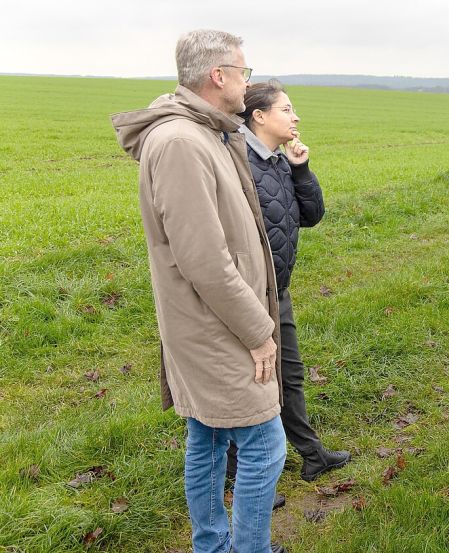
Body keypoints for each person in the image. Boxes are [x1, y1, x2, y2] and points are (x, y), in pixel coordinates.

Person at [111, 30, 287, 553]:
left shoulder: (206, 132)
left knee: (207, 437)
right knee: (264, 446)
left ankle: (211, 545)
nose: (246, 81)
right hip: (214, 326)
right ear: (218, 76)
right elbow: (203, 260)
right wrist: (259, 332)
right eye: (244, 72)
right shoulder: (182, 142)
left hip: (212, 320)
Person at [225, 80, 350, 491]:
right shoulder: (236, 161)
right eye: (286, 109)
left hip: (278, 290)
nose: (295, 117)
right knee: (249, 383)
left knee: (289, 374)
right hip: (246, 293)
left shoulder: (278, 161)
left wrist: (301, 168)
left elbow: (311, 215)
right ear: (258, 116)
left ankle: (311, 455)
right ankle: (242, 476)